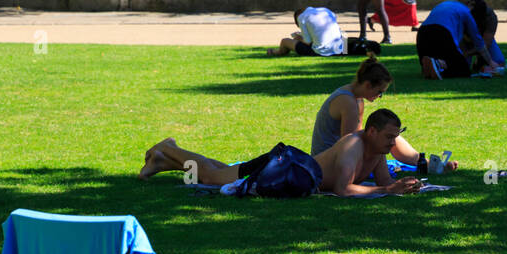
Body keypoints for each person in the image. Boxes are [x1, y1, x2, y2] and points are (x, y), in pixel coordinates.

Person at [140, 109, 424, 198]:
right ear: (372, 131)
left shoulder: (376, 150)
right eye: (389, 137)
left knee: (220, 169)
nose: (393, 143)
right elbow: (343, 189)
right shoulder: (354, 145)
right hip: (282, 168)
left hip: (287, 168)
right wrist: (388, 189)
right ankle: (169, 149)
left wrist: (397, 187)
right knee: (212, 176)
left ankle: (164, 161)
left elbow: (384, 181)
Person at [310, 58, 456, 174]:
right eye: (379, 91)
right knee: (386, 135)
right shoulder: (348, 102)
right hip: (328, 165)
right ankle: (429, 165)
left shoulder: (355, 97)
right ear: (368, 85)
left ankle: (428, 163)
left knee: (388, 134)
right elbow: (349, 143)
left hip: (332, 158)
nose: (379, 96)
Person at [417, 0, 502, 79]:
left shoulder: (448, 4)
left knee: (440, 56)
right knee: (463, 70)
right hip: (441, 32)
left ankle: (431, 67)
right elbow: (478, 41)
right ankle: (439, 65)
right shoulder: (467, 13)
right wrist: (491, 62)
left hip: (422, 33)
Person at [267, 6, 380, 58]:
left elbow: (307, 42)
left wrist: (298, 38)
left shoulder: (302, 17)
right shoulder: (325, 10)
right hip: (339, 48)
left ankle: (276, 52)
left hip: (321, 52)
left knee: (285, 41)